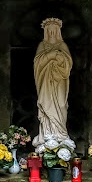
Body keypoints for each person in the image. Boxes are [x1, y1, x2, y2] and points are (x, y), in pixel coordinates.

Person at [32, 17, 72, 146]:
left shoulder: (62, 45)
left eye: (55, 30)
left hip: (59, 82)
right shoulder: (42, 46)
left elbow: (68, 64)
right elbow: (38, 64)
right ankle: (48, 134)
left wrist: (58, 57)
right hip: (45, 83)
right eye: (49, 30)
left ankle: (61, 134)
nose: (52, 33)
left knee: (61, 105)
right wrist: (51, 55)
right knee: (46, 104)